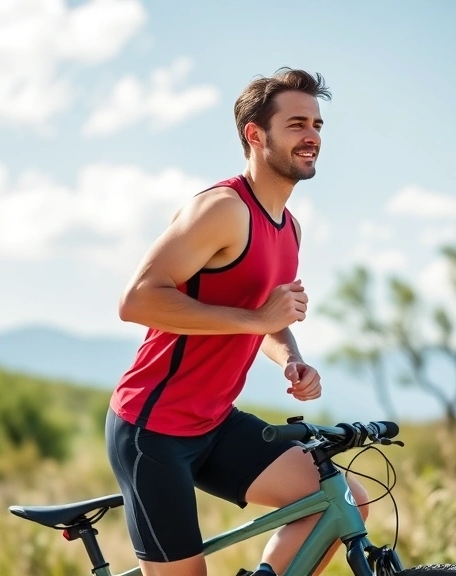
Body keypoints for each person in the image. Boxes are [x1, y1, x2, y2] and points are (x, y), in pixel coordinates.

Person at [106, 67, 369, 576]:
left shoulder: (290, 229)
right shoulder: (221, 209)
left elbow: (264, 321)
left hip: (215, 421)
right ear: (255, 134)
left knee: (345, 504)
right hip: (152, 428)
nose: (312, 135)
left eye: (317, 124)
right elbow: (136, 300)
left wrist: (291, 357)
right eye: (296, 123)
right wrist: (257, 319)